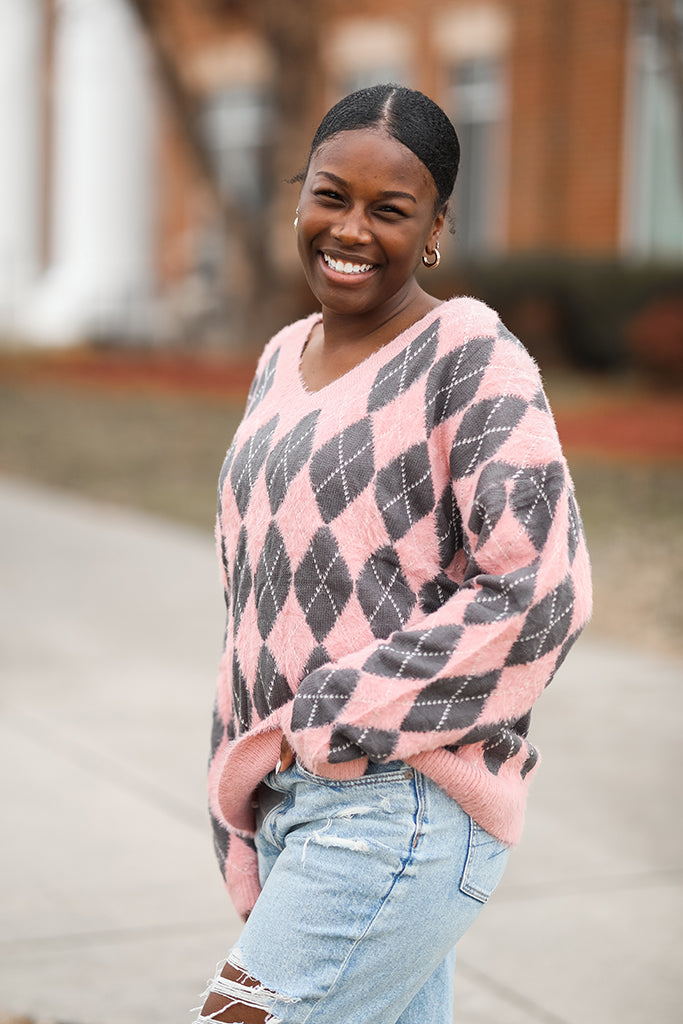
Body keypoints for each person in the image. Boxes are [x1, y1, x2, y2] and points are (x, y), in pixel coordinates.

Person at [196, 84, 592, 1024]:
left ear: (434, 228)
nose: (351, 229)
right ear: (298, 198)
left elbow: (542, 591)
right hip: (297, 804)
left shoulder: (469, 355)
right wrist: (242, 802)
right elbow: (255, 599)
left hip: (398, 804)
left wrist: (333, 716)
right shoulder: (280, 357)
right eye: (330, 194)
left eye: (390, 209)